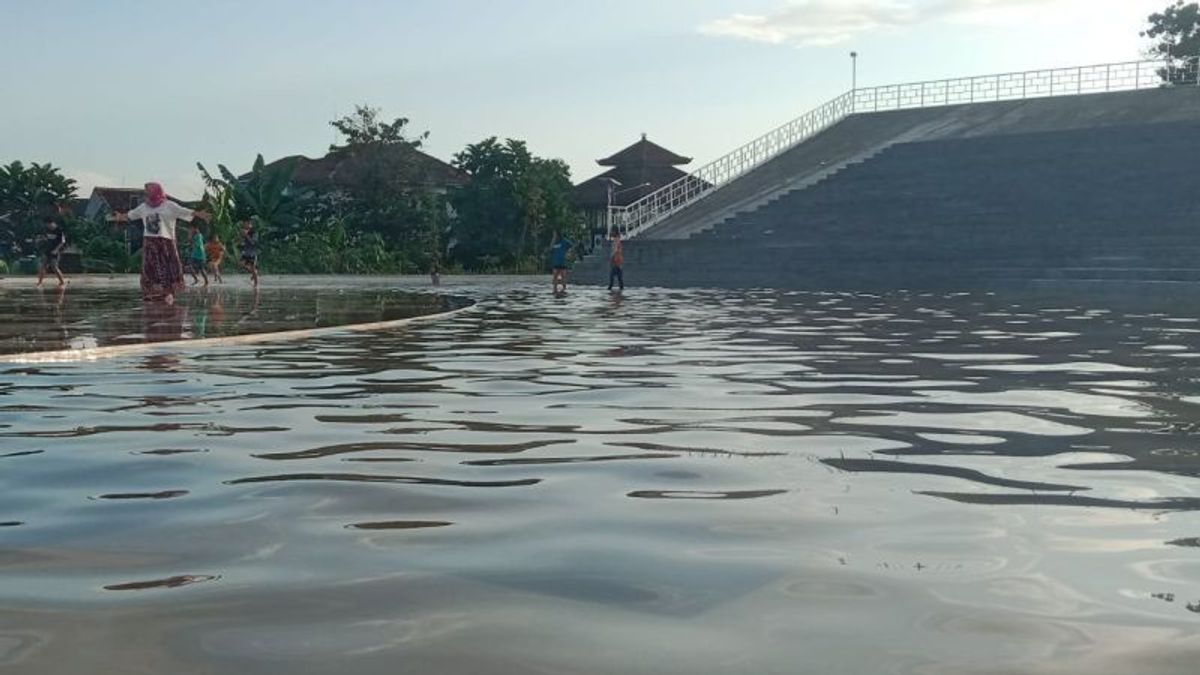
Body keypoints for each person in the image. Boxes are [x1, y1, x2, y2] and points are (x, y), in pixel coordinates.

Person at [115, 182, 210, 303]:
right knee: (150, 268)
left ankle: (168, 292)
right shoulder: (144, 207)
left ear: (156, 191)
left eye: (148, 190)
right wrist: (119, 217)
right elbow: (130, 215)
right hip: (150, 242)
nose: (146, 193)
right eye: (146, 191)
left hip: (166, 242)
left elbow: (184, 211)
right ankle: (151, 292)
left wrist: (199, 214)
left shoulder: (169, 205)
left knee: (167, 267)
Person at [35, 216, 67, 288]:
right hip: (47, 250)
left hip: (55, 251)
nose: (47, 226)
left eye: (47, 225)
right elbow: (45, 238)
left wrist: (56, 250)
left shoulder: (59, 230)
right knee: (43, 266)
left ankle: (62, 282)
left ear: (51, 223)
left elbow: (62, 241)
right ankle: (39, 282)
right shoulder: (46, 230)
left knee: (54, 267)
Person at [550, 231, 573, 295]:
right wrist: (553, 239)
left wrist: (569, 253)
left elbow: (572, 246)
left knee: (563, 276)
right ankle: (555, 289)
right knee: (555, 276)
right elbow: (550, 249)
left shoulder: (564, 241)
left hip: (563, 262)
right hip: (555, 262)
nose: (555, 236)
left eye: (555, 235)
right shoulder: (553, 242)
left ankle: (564, 289)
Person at [239, 220, 260, 288]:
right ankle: (254, 273)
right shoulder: (244, 231)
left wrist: (246, 235)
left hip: (252, 253)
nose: (245, 225)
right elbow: (242, 242)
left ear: (251, 225)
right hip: (245, 252)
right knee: (241, 264)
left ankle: (256, 284)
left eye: (247, 224)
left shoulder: (254, 232)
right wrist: (242, 236)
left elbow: (253, 242)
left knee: (253, 268)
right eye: (245, 224)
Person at [608, 227, 625, 292]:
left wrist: (611, 258)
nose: (611, 233)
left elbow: (615, 250)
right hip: (619, 261)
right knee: (619, 278)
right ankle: (621, 290)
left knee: (612, 277)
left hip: (616, 261)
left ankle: (610, 290)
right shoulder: (618, 240)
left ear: (615, 232)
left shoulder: (616, 240)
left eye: (612, 231)